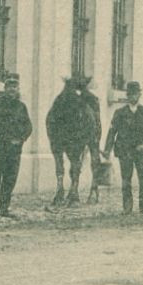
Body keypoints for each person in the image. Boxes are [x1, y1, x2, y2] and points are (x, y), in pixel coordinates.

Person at [0, 72, 33, 217]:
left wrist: (20, 139)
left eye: (15, 86)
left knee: (10, 179)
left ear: (18, 88)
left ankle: (3, 208)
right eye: (9, 86)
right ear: (5, 87)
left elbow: (28, 127)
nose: (12, 89)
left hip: (15, 149)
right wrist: (1, 137)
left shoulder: (21, 107)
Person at [104, 79, 143, 214]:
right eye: (131, 94)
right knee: (126, 179)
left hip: (141, 151)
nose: (133, 96)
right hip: (125, 151)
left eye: (135, 94)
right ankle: (127, 207)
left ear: (139, 95)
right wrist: (107, 149)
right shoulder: (119, 113)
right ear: (127, 96)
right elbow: (112, 131)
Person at [46, 75, 98, 207]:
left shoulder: (86, 104)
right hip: (61, 133)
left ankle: (81, 189)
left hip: (79, 135)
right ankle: (60, 190)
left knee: (77, 160)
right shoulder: (57, 108)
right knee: (59, 161)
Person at [78, 77, 105, 203]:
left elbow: (97, 120)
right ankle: (74, 190)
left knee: (94, 160)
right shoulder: (73, 98)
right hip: (76, 135)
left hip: (91, 133)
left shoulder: (92, 99)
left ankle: (94, 189)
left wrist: (96, 136)